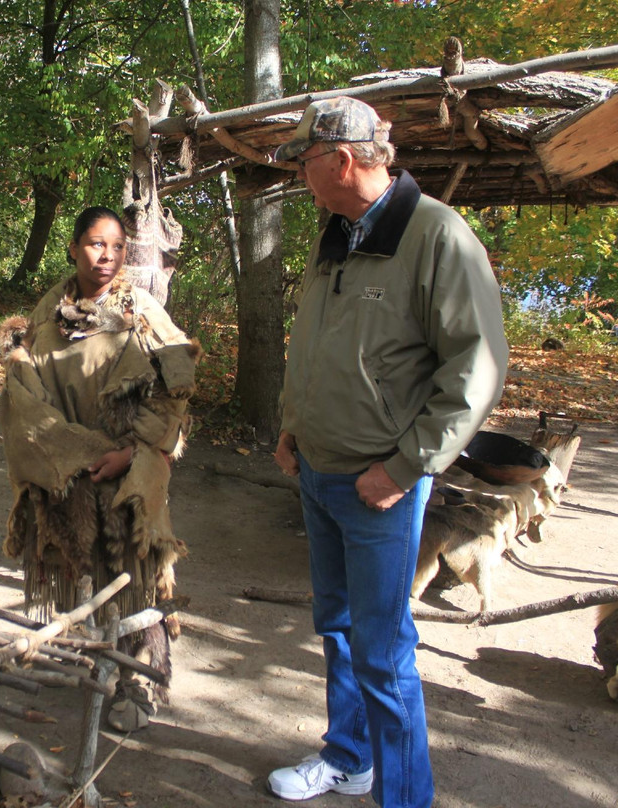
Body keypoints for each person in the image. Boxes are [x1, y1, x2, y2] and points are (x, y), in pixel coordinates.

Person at [267, 97, 508, 807]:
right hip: (318, 470)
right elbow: (316, 342)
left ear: (339, 160)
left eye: (304, 162)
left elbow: (479, 368)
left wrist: (404, 469)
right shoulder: (336, 232)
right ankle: (349, 759)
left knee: (383, 651)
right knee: (337, 628)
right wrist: (292, 425)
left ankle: (405, 797)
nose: (298, 176)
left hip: (381, 485)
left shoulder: (436, 236)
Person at [0, 206, 201, 731]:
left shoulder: (143, 312)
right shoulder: (48, 314)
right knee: (86, 568)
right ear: (72, 247)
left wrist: (132, 452)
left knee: (136, 576)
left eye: (115, 246)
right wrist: (66, 450)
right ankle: (104, 661)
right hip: (71, 471)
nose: (106, 256)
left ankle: (143, 681)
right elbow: (25, 386)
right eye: (94, 244)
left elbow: (175, 389)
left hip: (130, 468)